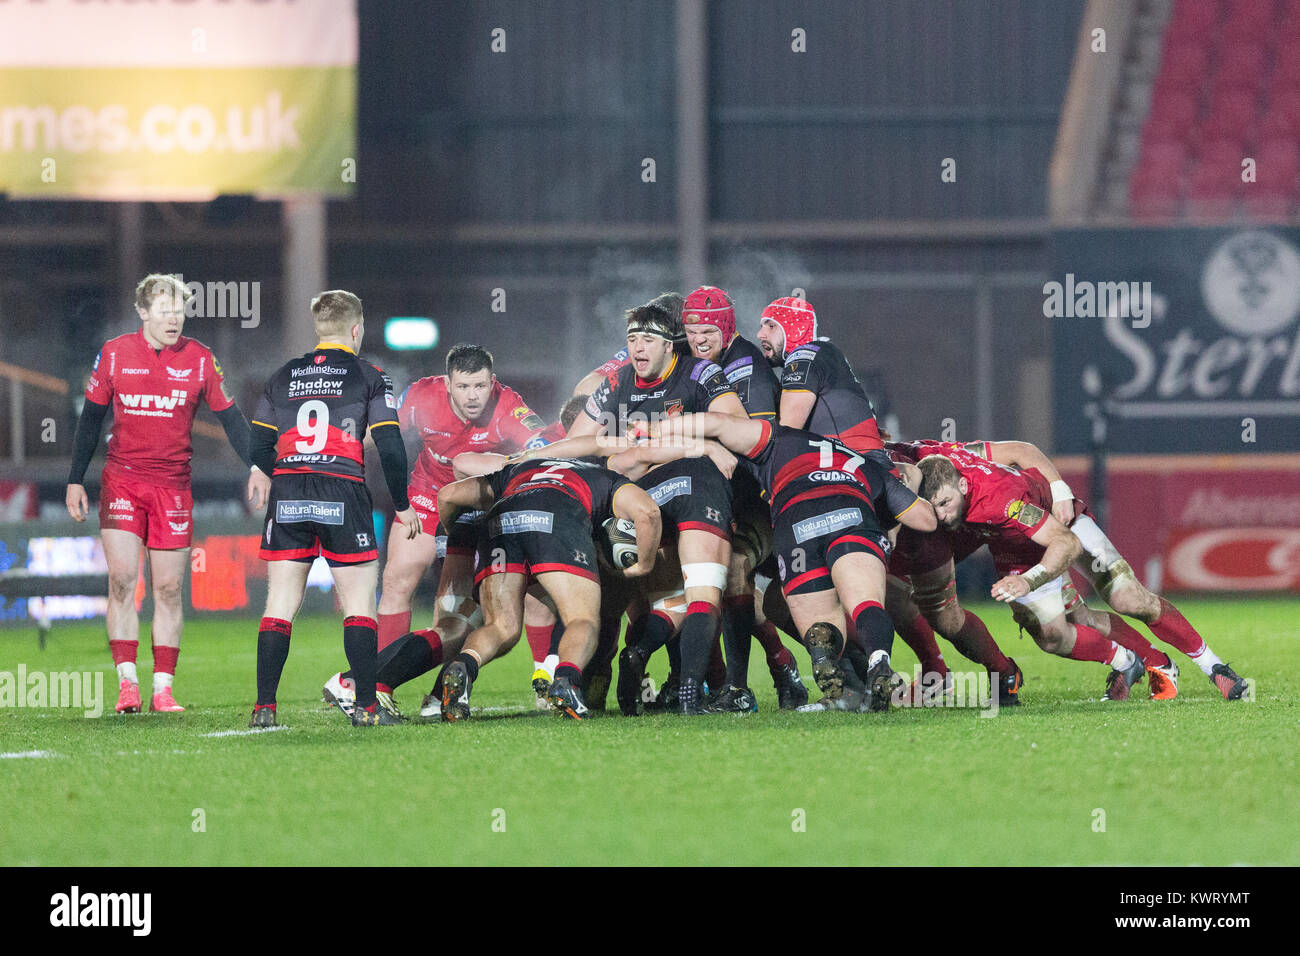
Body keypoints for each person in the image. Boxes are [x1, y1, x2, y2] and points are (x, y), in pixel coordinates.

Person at [653, 413, 940, 712]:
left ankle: (827, 666)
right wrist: (894, 512)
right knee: (865, 602)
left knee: (820, 623)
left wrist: (659, 428)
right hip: (852, 511)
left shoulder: (779, 438)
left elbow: (716, 423)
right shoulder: (865, 464)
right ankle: (879, 660)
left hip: (797, 519)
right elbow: (925, 519)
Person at [321, 344, 548, 714]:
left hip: (482, 506)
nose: (472, 396)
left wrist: (509, 461)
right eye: (463, 387)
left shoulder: (508, 405)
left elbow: (544, 448)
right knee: (397, 580)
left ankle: (447, 691)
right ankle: (376, 689)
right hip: (428, 496)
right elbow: (375, 432)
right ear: (447, 383)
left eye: (479, 386)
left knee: (461, 613)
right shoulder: (421, 396)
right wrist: (332, 457)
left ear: (492, 382)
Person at [916, 450, 1250, 701]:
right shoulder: (933, 457)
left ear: (962, 484)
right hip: (1014, 547)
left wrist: (1058, 492)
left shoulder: (1000, 500)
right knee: (1053, 636)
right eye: (934, 508)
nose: (941, 516)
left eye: (946, 503)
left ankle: (1215, 667)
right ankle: (1146, 661)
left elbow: (1066, 543)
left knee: (1128, 598)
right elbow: (1017, 448)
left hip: (1061, 525)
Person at [66, 273, 254, 715]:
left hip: (173, 487)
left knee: (168, 589)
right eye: (165, 310)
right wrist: (76, 478)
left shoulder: (201, 360)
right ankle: (127, 683)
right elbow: (91, 420)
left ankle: (163, 690)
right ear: (143, 312)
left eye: (180, 310)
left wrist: (260, 466)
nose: (174, 319)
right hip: (123, 482)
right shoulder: (113, 355)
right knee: (122, 581)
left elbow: (232, 421)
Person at [246, 290, 420, 728]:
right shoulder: (369, 375)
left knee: (280, 602)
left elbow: (257, 443)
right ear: (356, 328)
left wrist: (280, 472)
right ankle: (366, 706)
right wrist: (402, 504)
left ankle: (264, 708)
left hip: (289, 490)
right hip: (341, 490)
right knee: (359, 600)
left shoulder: (284, 374)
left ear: (318, 329)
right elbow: (392, 448)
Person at [435, 455, 662, 720]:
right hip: (558, 513)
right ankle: (566, 680)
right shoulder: (607, 479)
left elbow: (448, 495)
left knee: (501, 627)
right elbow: (649, 512)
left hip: (502, 518)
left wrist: (455, 535)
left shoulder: (517, 470)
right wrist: (644, 566)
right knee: (582, 619)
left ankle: (464, 664)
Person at [682, 285, 807, 711]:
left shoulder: (744, 369)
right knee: (713, 584)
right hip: (729, 497)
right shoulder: (703, 362)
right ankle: (780, 666)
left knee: (734, 572)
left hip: (764, 498)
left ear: (726, 327)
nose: (698, 339)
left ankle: (736, 690)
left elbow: (757, 445)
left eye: (707, 330)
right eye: (691, 330)